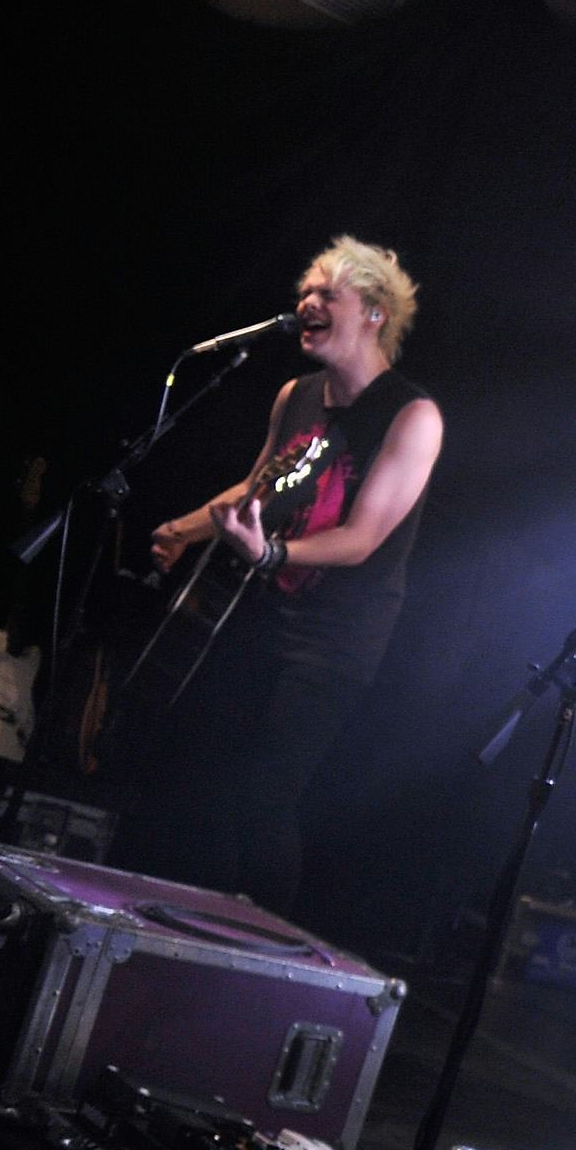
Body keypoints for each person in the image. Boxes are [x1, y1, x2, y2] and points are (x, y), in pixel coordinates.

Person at [119, 236, 444, 912]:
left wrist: (268, 555)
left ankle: (268, 941)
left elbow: (360, 540)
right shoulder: (296, 395)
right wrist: (184, 528)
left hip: (336, 641)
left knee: (266, 795)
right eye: (307, 291)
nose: (308, 302)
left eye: (328, 293)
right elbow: (255, 490)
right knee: (202, 779)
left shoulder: (411, 415)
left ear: (375, 313)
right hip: (262, 616)